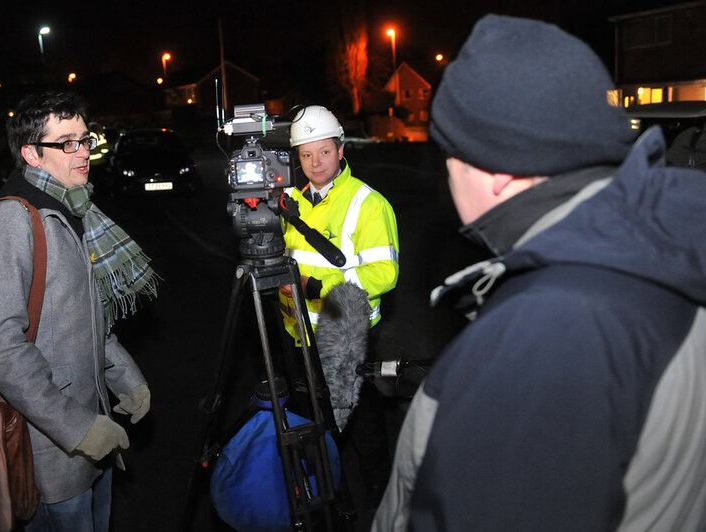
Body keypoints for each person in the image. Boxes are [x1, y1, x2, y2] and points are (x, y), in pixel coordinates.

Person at [374, 14, 706, 531]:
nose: (444, 170)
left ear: (499, 171)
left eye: (450, 151)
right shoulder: (654, 245)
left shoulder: (546, 335)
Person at [0, 91, 157, 531]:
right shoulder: (10, 221)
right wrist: (78, 428)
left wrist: (125, 378)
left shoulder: (74, 210)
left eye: (85, 139)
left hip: (94, 434)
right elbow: (0, 348)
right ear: (32, 154)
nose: (84, 152)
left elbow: (90, 316)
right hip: (50, 451)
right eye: (67, 143)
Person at [278, 104, 400, 510]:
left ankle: (384, 506)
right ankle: (328, 505)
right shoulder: (288, 202)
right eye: (306, 154)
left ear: (341, 149)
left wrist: (320, 286)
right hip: (301, 337)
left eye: (324, 151)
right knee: (312, 429)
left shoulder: (368, 203)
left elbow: (384, 273)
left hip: (350, 339)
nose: (315, 162)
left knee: (362, 432)